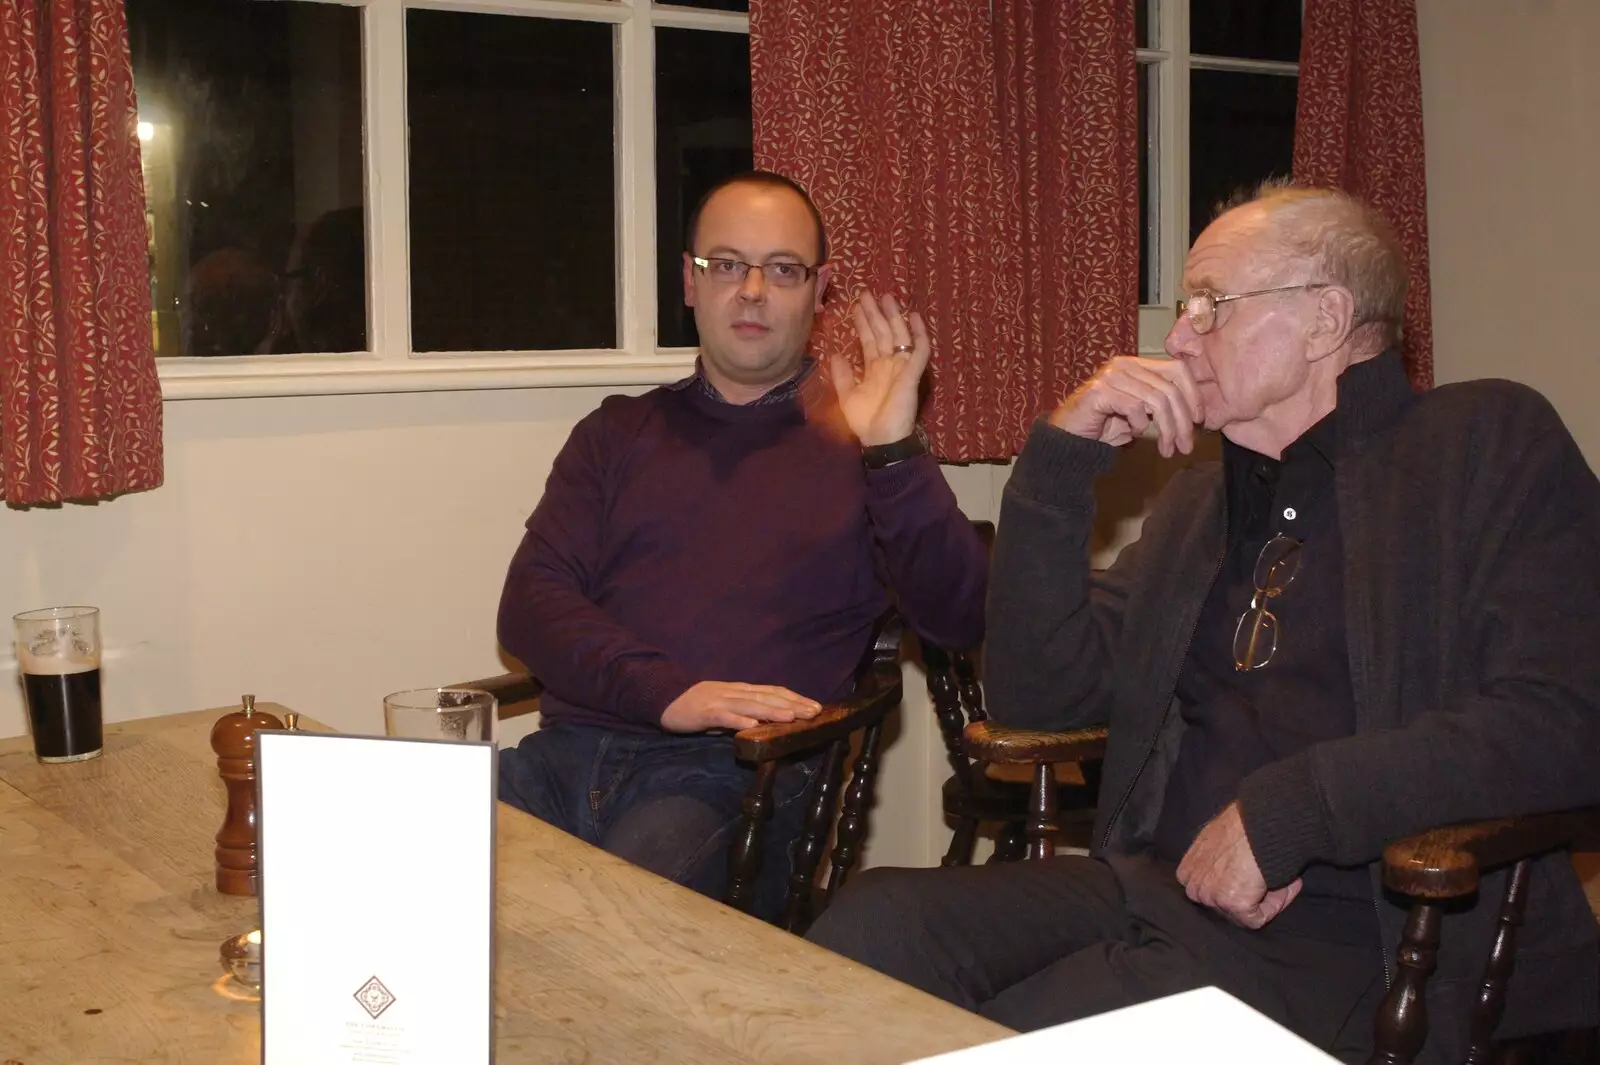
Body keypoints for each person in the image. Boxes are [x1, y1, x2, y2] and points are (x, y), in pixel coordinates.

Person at [805, 182, 1600, 1063]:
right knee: (873, 927)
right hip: (1156, 890)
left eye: (1210, 304)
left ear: (1324, 320)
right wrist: (1060, 465)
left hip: (1359, 941)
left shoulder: (1482, 442)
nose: (1178, 337)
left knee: (1004, 1038)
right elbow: (1039, 696)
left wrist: (1292, 813)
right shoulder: (1199, 504)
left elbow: (1566, 718)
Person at [495, 171, 988, 920]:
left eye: (783, 269)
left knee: (608, 917)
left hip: (734, 781)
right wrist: (670, 693)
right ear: (689, 284)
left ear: (819, 292)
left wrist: (892, 445)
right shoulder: (615, 433)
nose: (752, 290)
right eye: (725, 264)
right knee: (381, 851)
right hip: (564, 759)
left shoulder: (862, 442)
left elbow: (961, 617)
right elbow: (530, 606)